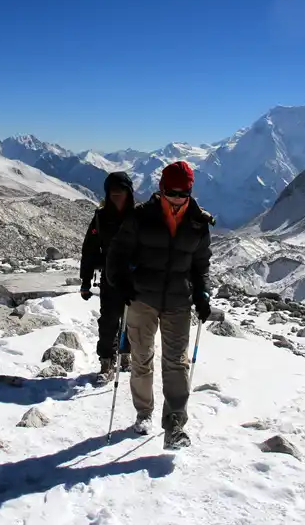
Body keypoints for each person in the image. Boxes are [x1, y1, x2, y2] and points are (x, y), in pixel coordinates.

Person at [106, 160, 212, 450]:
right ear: (161, 188)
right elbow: (116, 253)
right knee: (141, 358)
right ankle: (144, 412)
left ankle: (175, 424)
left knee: (177, 362)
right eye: (171, 192)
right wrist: (121, 281)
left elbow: (201, 265)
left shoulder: (198, 223)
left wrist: (203, 293)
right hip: (141, 298)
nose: (177, 198)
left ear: (190, 191)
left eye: (183, 193)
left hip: (179, 301)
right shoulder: (141, 217)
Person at [79, 172, 136, 383]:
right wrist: (85, 281)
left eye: (121, 192)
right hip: (110, 277)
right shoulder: (101, 218)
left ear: (128, 193)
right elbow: (90, 249)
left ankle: (127, 353)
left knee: (131, 319)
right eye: (113, 192)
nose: (117, 196)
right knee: (109, 320)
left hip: (134, 277)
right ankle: (107, 360)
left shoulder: (139, 216)